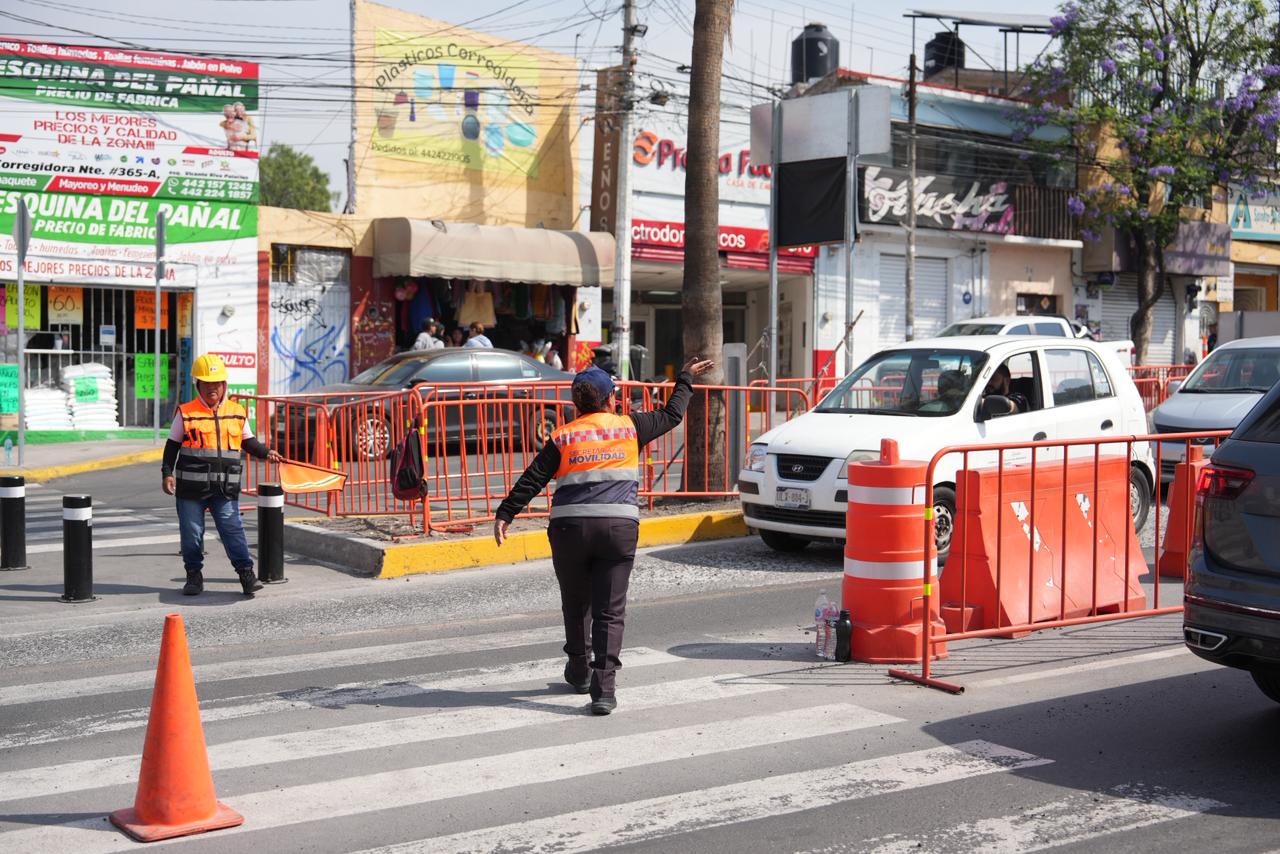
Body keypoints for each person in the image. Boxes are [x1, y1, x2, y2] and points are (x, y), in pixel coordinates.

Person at [494, 357, 715, 715]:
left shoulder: (564, 435)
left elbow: (534, 477)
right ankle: (603, 691)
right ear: (611, 400)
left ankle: (579, 672)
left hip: (569, 530)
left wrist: (506, 513)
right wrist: (685, 377)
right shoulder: (631, 426)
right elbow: (674, 415)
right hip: (617, 529)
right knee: (609, 611)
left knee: (576, 602)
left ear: (575, 404)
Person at [161, 354, 283, 597]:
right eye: (207, 384)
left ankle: (246, 574)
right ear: (198, 385)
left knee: (233, 530)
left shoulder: (237, 412)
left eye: (216, 384)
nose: (212, 388)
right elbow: (172, 445)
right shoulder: (186, 413)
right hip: (191, 489)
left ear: (224, 385)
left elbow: (248, 441)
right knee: (192, 533)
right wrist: (167, 473)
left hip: (224, 489)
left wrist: (266, 452)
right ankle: (193, 576)